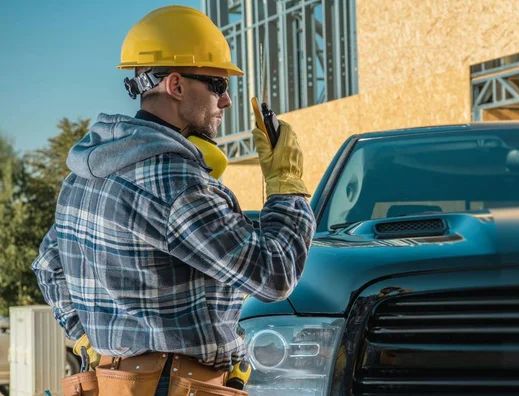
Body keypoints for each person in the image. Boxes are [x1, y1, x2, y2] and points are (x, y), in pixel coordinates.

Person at [31, 5, 315, 395]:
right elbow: (274, 274)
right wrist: (287, 186)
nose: (227, 101)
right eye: (218, 85)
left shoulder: (84, 173)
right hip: (175, 383)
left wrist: (84, 333)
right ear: (176, 86)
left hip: (115, 381)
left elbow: (48, 264)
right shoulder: (175, 181)